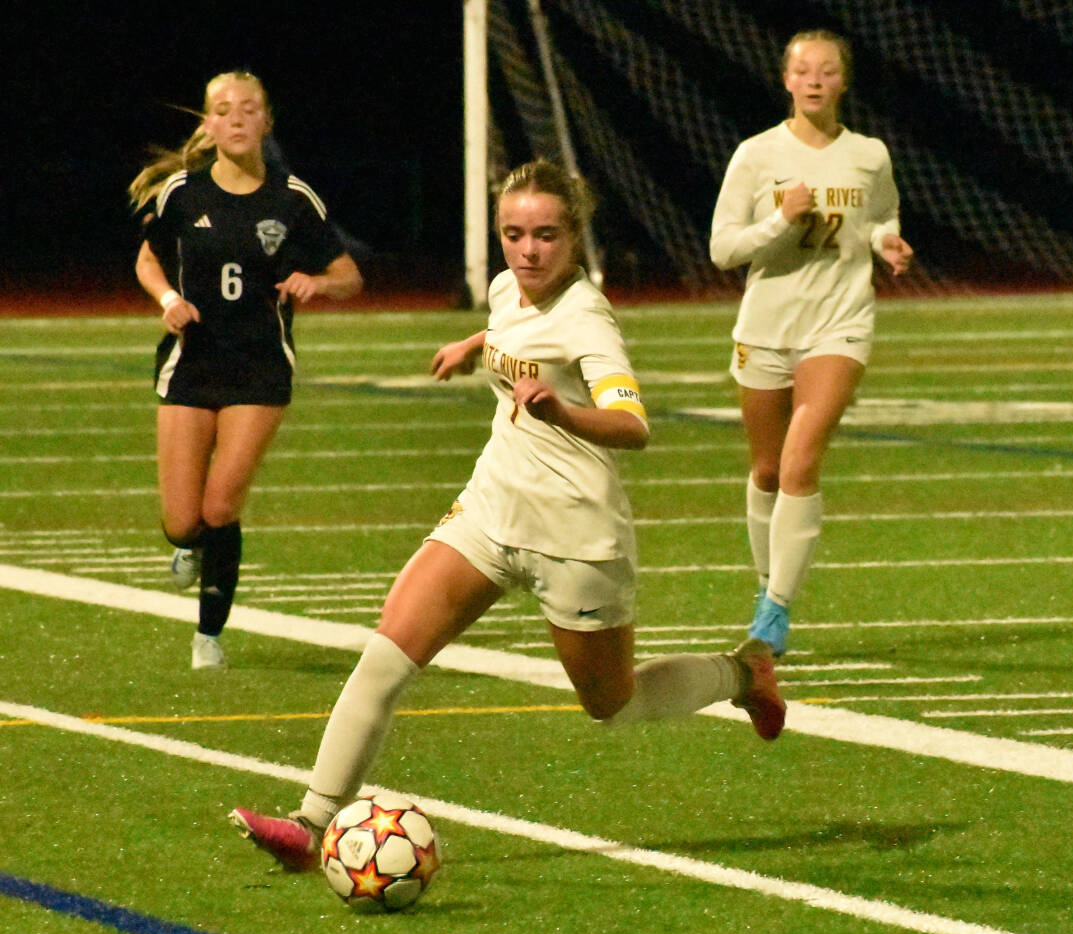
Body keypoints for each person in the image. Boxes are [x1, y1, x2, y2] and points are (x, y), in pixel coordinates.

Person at [230, 159, 785, 871]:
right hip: (490, 512)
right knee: (385, 657)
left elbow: (633, 423)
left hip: (574, 537)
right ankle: (308, 826)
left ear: (575, 238)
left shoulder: (585, 318)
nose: (527, 251)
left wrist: (562, 409)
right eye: (513, 234)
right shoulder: (505, 288)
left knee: (611, 703)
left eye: (546, 235)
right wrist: (472, 348)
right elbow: (510, 336)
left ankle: (743, 673)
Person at [128, 71, 363, 669]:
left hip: (259, 369)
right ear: (208, 125)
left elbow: (349, 275)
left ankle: (208, 636)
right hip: (192, 363)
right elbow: (147, 261)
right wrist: (167, 301)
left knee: (219, 509)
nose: (235, 118)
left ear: (265, 122)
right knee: (182, 521)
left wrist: (319, 281)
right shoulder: (180, 193)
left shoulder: (293, 200)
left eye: (247, 109)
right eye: (223, 110)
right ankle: (189, 548)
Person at [709, 30, 913, 658]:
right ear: (787, 80)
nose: (816, 80)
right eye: (804, 70)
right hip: (767, 328)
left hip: (840, 322)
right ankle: (769, 583)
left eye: (828, 70)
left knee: (800, 463)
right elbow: (723, 251)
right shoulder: (755, 156)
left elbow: (881, 214)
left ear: (843, 82)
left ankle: (773, 615)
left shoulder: (870, 155)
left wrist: (886, 243)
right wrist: (780, 219)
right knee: (768, 470)